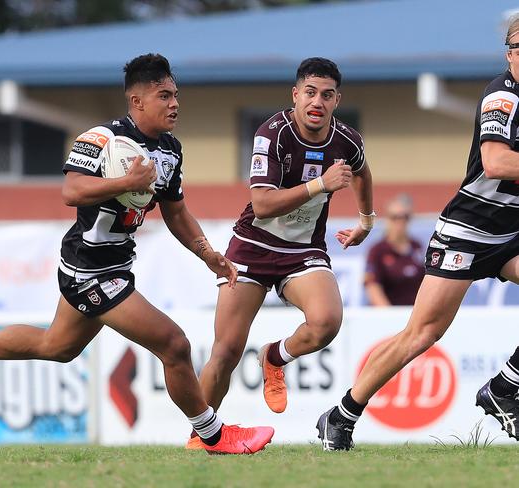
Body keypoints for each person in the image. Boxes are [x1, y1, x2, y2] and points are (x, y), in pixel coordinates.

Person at [0, 53, 274, 455]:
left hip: (116, 264)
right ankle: (213, 435)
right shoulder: (101, 138)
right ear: (137, 102)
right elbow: (71, 191)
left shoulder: (170, 150)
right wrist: (125, 180)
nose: (175, 104)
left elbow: (176, 211)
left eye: (176, 95)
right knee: (175, 345)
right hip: (88, 269)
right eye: (164, 96)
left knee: (57, 347)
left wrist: (208, 254)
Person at [316, 17, 519, 451]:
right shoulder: (503, 95)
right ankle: (342, 413)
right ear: (508, 53)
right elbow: (496, 162)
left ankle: (505, 387)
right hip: (470, 230)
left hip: (511, 232)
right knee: (422, 334)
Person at [188, 57, 375, 449]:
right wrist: (321, 184)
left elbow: (362, 171)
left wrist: (366, 220)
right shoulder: (272, 133)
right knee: (225, 352)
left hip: (303, 250)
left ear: (337, 100)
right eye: (310, 92)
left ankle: (275, 356)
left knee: (327, 321)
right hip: (253, 247)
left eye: (326, 95)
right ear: (295, 95)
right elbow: (262, 205)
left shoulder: (347, 140)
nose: (317, 102)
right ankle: (200, 440)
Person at [363, 194, 424, 306]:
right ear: (387, 219)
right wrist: (389, 315)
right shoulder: (378, 250)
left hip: (413, 315)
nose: (400, 222)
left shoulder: (417, 247)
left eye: (405, 217)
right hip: (388, 315)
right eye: (395, 217)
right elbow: (372, 285)